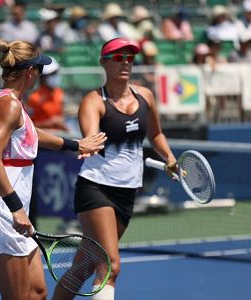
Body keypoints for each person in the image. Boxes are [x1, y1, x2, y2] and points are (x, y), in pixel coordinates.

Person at [0, 39, 107, 299]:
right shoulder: (9, 105)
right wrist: (16, 208)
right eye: (40, 70)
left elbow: (33, 133)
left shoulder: (13, 103)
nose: (41, 76)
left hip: (12, 210)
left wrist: (75, 144)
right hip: (3, 211)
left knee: (38, 292)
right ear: (30, 72)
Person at [52, 37, 177, 300]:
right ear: (103, 63)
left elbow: (156, 134)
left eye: (129, 58)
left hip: (127, 192)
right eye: (118, 58)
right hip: (96, 188)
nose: (125, 63)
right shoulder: (93, 101)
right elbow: (90, 134)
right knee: (110, 265)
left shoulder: (146, 96)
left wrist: (169, 158)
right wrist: (89, 144)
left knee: (82, 267)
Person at [27, 56, 68, 132]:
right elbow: (28, 125)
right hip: (41, 138)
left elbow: (61, 116)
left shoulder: (59, 92)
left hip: (59, 136)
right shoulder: (34, 98)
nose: (55, 76)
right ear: (43, 77)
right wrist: (48, 124)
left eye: (56, 73)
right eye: (52, 74)